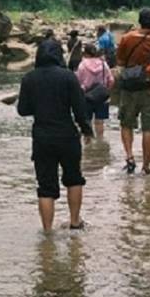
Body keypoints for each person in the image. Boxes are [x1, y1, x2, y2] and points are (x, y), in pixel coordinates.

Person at [17, 40, 94, 231]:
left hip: (42, 137)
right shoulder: (68, 77)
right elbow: (79, 109)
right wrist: (87, 130)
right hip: (67, 135)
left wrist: (39, 106)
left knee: (45, 187)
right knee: (74, 178)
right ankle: (75, 222)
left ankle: (47, 232)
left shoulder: (29, 78)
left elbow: (22, 110)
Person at [115, 8, 150, 175]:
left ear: (139, 21)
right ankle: (146, 166)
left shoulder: (127, 38)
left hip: (130, 88)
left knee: (126, 124)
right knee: (148, 129)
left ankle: (130, 157)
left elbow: (120, 62)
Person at [75, 43, 114, 139]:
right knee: (100, 121)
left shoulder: (82, 65)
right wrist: (107, 90)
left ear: (85, 53)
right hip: (102, 96)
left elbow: (77, 81)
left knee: (87, 121)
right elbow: (111, 80)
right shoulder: (103, 64)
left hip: (86, 96)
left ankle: (88, 143)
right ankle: (100, 141)